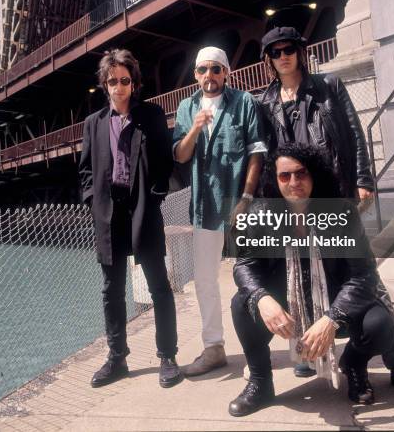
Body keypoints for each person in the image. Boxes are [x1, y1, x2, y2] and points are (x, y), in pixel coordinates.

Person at [258, 24, 394, 401]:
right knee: (302, 275)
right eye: (276, 51)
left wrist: (363, 177)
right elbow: (266, 157)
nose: (283, 55)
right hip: (294, 198)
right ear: (269, 60)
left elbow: (353, 132)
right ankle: (311, 346)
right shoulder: (266, 102)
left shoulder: (328, 87)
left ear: (300, 52)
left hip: (333, 195)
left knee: (367, 280)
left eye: (289, 48)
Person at [229, 143, 394, 416]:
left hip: (335, 305)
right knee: (241, 304)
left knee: (380, 323)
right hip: (287, 307)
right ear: (275, 179)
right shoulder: (259, 214)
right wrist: (262, 297)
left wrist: (333, 317)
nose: (294, 182)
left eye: (301, 173)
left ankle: (353, 365)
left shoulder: (341, 213)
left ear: (314, 175)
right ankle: (261, 381)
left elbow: (364, 274)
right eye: (285, 176)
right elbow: (244, 264)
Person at [79, 49, 182, 389]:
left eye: (125, 80)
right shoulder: (93, 124)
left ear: (134, 83)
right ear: (104, 85)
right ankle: (117, 357)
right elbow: (85, 171)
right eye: (113, 81)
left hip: (143, 209)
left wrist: (156, 197)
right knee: (112, 290)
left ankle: (167, 356)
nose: (119, 87)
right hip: (108, 213)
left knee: (159, 286)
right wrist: (93, 201)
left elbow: (167, 163)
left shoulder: (150, 116)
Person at [173, 47, 266, 376]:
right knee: (205, 280)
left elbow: (256, 151)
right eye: (202, 70)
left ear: (226, 72)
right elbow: (181, 155)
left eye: (215, 69)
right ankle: (214, 347)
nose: (208, 76)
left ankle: (260, 351)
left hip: (240, 204)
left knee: (256, 276)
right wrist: (196, 128)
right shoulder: (187, 108)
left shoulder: (245, 103)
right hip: (204, 208)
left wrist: (247, 196)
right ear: (195, 75)